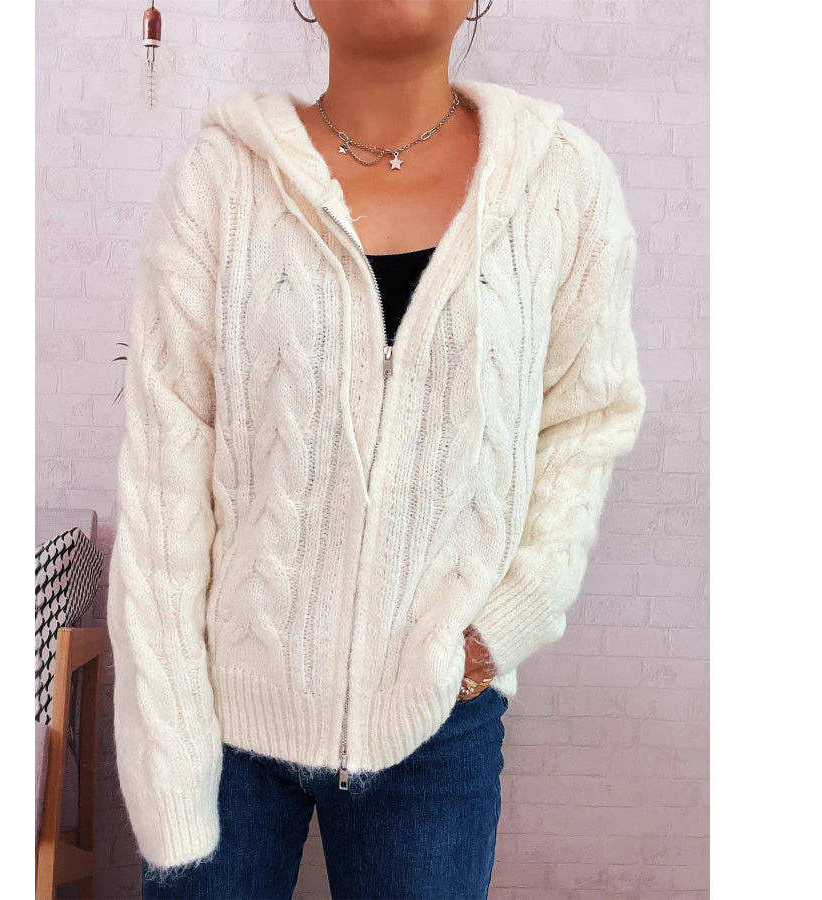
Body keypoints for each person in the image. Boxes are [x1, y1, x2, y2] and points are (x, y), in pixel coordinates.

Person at [106, 1, 647, 897]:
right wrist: (170, 763)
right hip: (225, 719)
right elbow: (163, 477)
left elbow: (589, 419)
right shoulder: (222, 182)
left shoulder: (562, 184)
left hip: (436, 722)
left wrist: (499, 627)